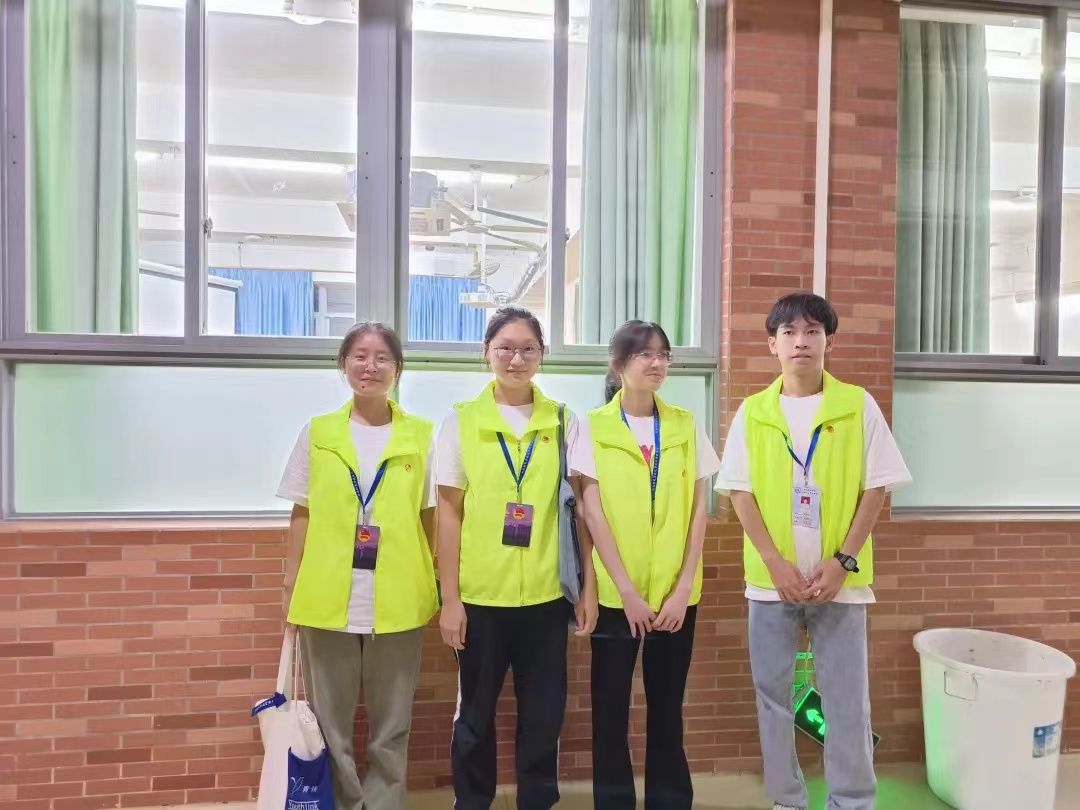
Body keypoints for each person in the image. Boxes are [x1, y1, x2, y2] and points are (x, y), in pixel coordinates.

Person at [716, 293, 911, 810]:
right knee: (773, 700)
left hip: (840, 584)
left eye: (812, 331)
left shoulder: (857, 404)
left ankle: (852, 800)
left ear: (829, 341)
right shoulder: (754, 412)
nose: (800, 341)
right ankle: (787, 800)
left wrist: (843, 561)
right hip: (770, 584)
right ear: (772, 345)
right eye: (789, 332)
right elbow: (740, 493)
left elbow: (877, 487)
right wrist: (775, 564)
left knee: (847, 701)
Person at [436, 306, 598, 810]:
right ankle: (472, 801)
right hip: (481, 598)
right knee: (474, 716)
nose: (516, 358)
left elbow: (581, 511)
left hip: (547, 598)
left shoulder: (564, 421)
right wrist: (450, 600)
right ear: (486, 352)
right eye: (505, 347)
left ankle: (537, 801)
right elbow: (448, 513)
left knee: (544, 716)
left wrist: (587, 590)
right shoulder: (462, 421)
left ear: (542, 355)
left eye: (528, 349)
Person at [278, 322, 438, 810]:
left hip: (400, 596)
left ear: (397, 369)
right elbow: (302, 511)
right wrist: (290, 582)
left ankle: (385, 802)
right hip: (326, 594)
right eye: (360, 356)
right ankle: (346, 802)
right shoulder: (319, 432)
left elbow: (430, 516)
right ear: (343, 364)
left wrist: (432, 577)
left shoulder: (421, 435)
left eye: (382, 357)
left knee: (392, 724)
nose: (371, 366)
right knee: (330, 722)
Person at [571, 320, 720, 810]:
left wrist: (682, 589)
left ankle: (670, 802)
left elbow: (699, 510)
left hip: (677, 597)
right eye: (645, 355)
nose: (657, 363)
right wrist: (627, 592)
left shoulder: (684, 424)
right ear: (619, 365)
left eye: (663, 355)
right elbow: (591, 513)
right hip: (618, 598)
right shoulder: (591, 426)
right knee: (610, 713)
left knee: (667, 711)